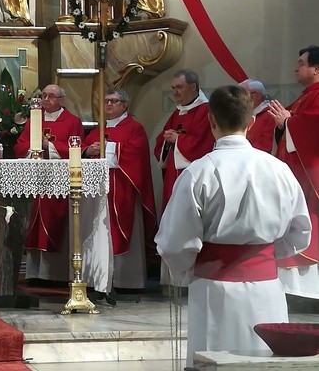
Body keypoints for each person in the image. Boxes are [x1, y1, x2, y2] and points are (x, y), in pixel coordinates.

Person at [156, 85, 310, 368]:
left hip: (213, 287)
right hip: (266, 288)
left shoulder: (198, 172)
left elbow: (174, 242)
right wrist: (262, 254)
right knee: (265, 362)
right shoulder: (279, 169)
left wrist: (188, 266)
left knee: (214, 359)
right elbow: (300, 231)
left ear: (211, 120)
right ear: (251, 122)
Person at [83, 89, 157, 289]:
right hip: (99, 189)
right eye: (107, 101)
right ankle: (97, 277)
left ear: (125, 105)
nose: (109, 105)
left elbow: (135, 153)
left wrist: (107, 148)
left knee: (123, 230)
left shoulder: (134, 128)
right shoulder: (99, 128)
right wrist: (88, 150)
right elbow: (85, 148)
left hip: (123, 188)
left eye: (114, 101)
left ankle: (125, 280)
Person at [16, 84, 84, 283]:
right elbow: (20, 144)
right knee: (33, 224)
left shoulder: (72, 121)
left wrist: (50, 146)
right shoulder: (34, 121)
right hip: (36, 181)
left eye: (51, 96)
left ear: (61, 100)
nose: (46, 99)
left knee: (56, 222)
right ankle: (35, 273)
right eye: (43, 95)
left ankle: (56, 274)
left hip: (59, 181)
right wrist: (33, 149)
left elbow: (78, 146)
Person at [268, 45, 319, 299]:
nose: (295, 67)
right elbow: (285, 125)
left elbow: (313, 126)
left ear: (316, 69)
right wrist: (283, 123)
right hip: (294, 175)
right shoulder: (304, 96)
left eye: (301, 62)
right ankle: (291, 289)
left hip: (310, 177)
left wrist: (288, 121)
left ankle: (307, 291)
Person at [154, 69, 215, 214]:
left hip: (193, 174)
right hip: (173, 173)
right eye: (173, 88)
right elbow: (160, 140)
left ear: (193, 87)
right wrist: (167, 140)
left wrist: (178, 139)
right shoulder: (178, 112)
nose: (175, 92)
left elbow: (203, 143)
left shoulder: (206, 111)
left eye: (179, 87)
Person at [239, 78, 275, 153]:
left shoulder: (271, 114)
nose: (239, 99)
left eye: (243, 95)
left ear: (257, 95)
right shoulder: (245, 113)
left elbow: (267, 144)